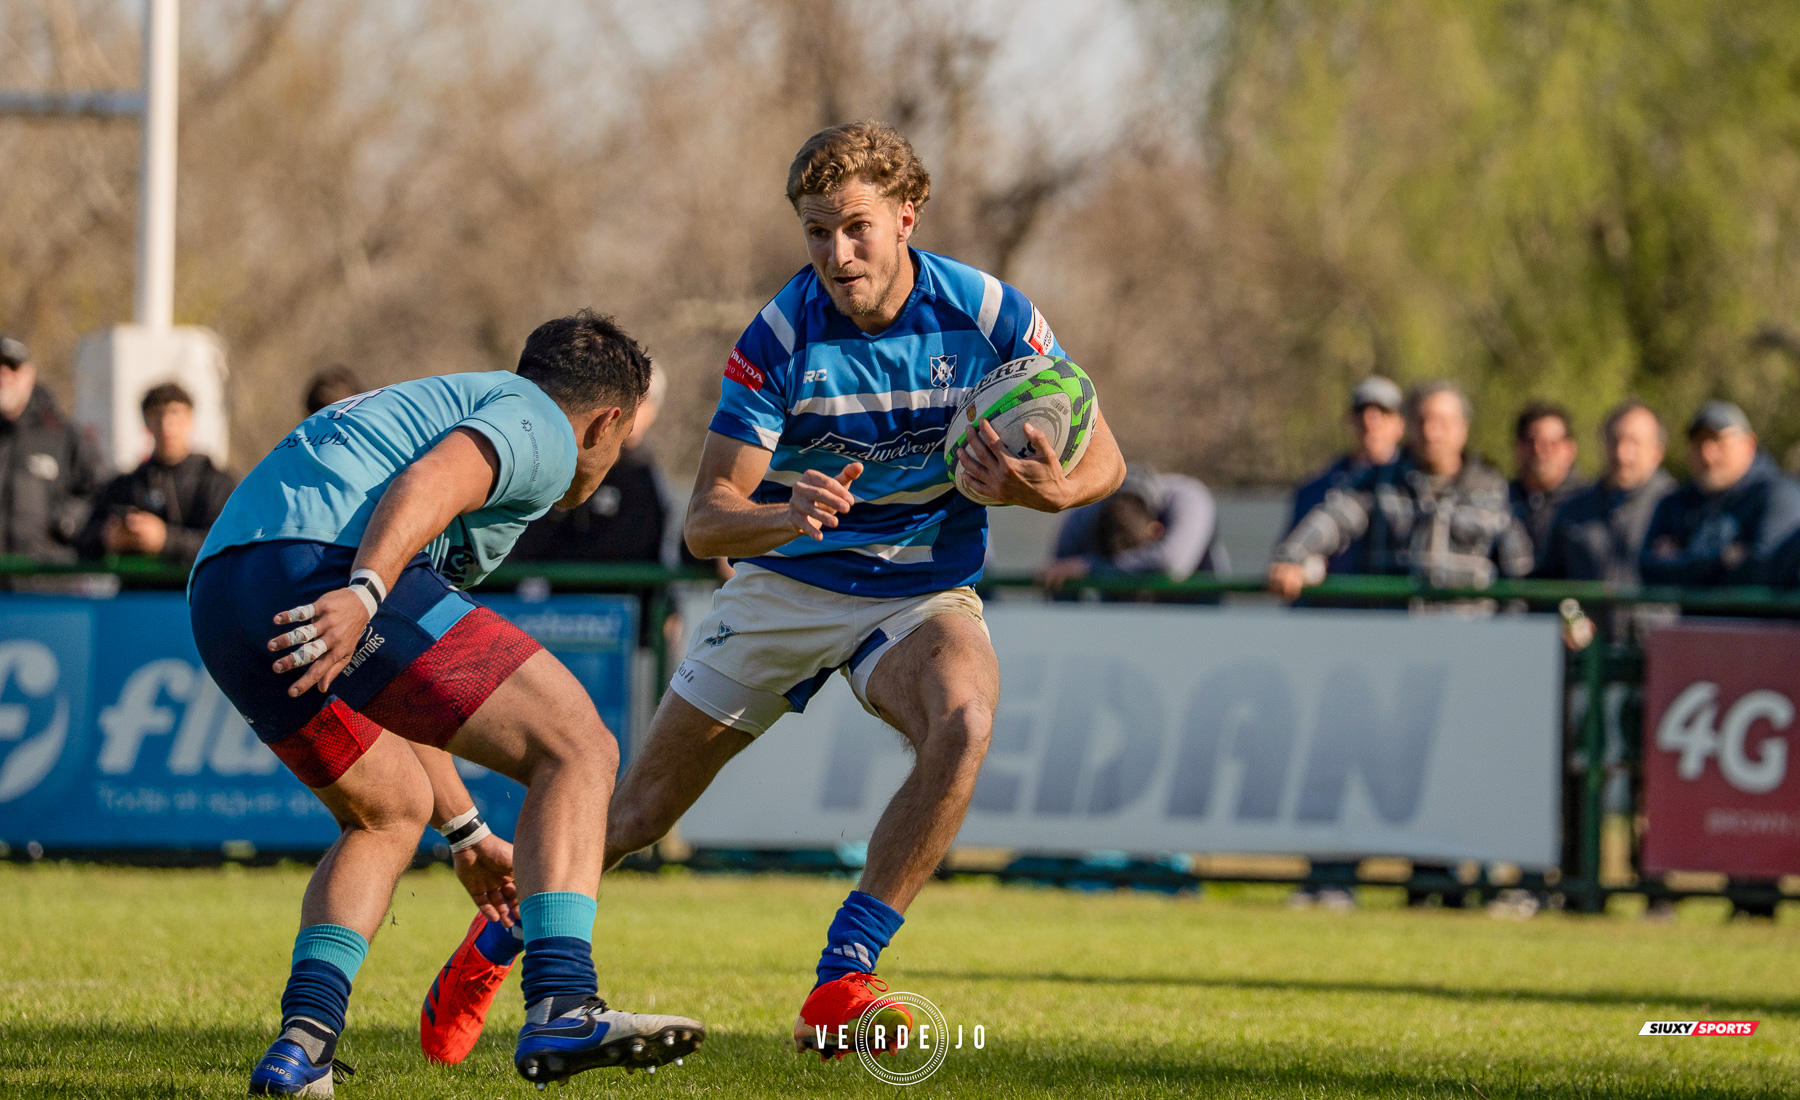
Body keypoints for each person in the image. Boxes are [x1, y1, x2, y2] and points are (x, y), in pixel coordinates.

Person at [421, 120, 1125, 1063]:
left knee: (965, 721)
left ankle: (845, 978)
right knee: (631, 819)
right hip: (784, 588)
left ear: (906, 216)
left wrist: (1052, 489)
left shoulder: (992, 313)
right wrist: (786, 513)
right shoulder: (782, 335)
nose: (837, 254)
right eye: (817, 232)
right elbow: (706, 522)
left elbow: (1104, 457)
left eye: (857, 227)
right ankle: (503, 933)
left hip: (918, 586)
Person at [187, 312, 704, 1095]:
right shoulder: (540, 422)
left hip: (225, 594)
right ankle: (564, 998)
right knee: (579, 746)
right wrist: (363, 590)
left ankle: (304, 1049)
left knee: (386, 813)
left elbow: (401, 685)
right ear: (609, 422)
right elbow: (429, 484)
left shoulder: (460, 402)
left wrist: (466, 833)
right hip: (326, 568)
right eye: (620, 439)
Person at [1268, 380, 1533, 598]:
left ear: (1463, 428)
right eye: (1422, 421)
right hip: (1393, 642)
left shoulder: (1492, 490)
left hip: (1466, 642)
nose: (1431, 433)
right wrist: (1291, 557)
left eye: (1442, 422)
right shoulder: (1379, 482)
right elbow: (1334, 519)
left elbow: (1519, 574)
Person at [1640, 401, 1800, 587]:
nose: (1707, 455)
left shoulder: (1778, 494)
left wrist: (1682, 560)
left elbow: (1763, 571)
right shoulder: (1676, 501)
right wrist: (1726, 559)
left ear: (1749, 445)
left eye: (1718, 441)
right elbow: (1648, 568)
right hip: (1691, 617)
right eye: (1698, 443)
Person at [78, 382, 237, 567]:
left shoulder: (216, 485)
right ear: (146, 421)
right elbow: (82, 541)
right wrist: (108, 538)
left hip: (191, 593)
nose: (166, 425)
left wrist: (166, 540)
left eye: (175, 414)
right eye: (157, 415)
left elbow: (227, 545)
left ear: (190, 418)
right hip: (136, 593)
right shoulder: (126, 485)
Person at [1538, 400, 1674, 585]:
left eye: (1634, 443)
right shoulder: (1572, 511)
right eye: (1614, 440)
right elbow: (1548, 585)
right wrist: (1575, 615)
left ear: (1657, 452)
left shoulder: (1678, 509)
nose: (1622, 454)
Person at [0, 334, 109, 565]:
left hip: (46, 587)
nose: (4, 375)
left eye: (12, 367)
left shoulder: (62, 435)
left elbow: (102, 489)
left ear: (29, 376)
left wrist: (66, 522)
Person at [1287, 376, 1406, 574]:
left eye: (1383, 412)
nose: (1370, 421)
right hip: (1334, 603)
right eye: (1362, 411)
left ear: (1400, 425)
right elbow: (1292, 556)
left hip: (1390, 603)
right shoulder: (1318, 489)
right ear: (1350, 419)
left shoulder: (1414, 488)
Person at [1041, 466, 1225, 589]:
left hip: (1193, 617)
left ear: (1157, 530)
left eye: (1136, 559)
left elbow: (1171, 565)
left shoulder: (1188, 498)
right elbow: (1058, 574)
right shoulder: (1081, 518)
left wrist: (1092, 567)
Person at [1510, 401, 1587, 568]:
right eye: (1531, 442)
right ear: (1519, 447)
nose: (1540, 451)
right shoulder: (1500, 500)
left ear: (1570, 449)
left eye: (1551, 444)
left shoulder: (1588, 506)